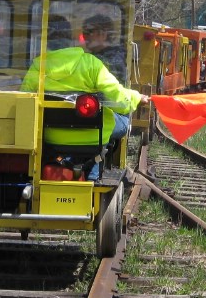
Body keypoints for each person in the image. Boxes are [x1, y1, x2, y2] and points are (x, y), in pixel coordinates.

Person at [22, 16, 149, 180]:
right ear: (70, 38)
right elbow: (118, 97)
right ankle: (93, 176)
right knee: (122, 118)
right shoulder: (91, 64)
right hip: (92, 138)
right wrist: (136, 98)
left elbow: (25, 99)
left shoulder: (37, 67)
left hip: (52, 136)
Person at [81, 13, 128, 83]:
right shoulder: (96, 57)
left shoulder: (112, 60)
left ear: (103, 33)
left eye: (88, 31)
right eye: (83, 32)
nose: (84, 36)